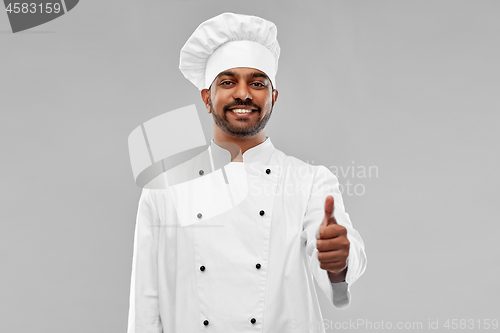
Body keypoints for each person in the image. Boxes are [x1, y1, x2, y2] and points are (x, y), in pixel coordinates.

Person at [127, 12, 367, 333]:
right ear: (207, 98)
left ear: (273, 98)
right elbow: (145, 305)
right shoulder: (163, 190)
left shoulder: (309, 182)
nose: (243, 93)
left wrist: (338, 259)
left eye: (257, 83)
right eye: (228, 82)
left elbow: (338, 267)